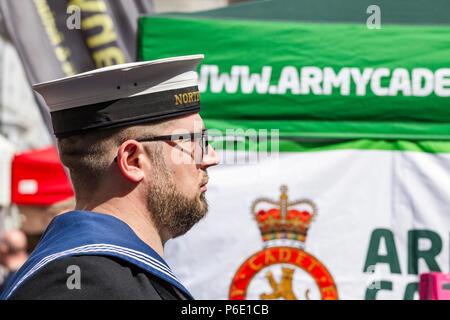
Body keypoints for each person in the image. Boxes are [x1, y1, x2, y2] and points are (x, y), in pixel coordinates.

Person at [0, 54, 219, 300]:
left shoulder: (104, 273)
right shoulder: (88, 285)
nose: (211, 157)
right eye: (197, 142)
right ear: (133, 160)